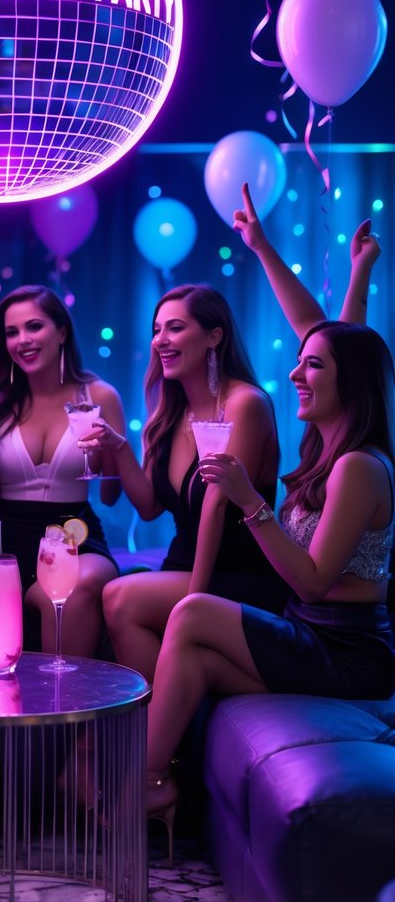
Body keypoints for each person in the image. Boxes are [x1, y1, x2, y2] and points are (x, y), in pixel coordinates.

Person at [145, 316, 395, 844]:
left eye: (313, 364)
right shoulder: (326, 457)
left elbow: (311, 582)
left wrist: (248, 500)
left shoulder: (360, 466)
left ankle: (137, 782)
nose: (295, 374)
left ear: (350, 379)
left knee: (192, 611)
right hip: (311, 635)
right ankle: (166, 791)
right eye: (300, 361)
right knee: (197, 657)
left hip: (347, 653)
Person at [98, 282, 290, 683]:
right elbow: (149, 508)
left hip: (239, 576)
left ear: (213, 336)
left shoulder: (245, 403)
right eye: (156, 330)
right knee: (118, 596)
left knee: (119, 597)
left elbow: (216, 506)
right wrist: (118, 448)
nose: (160, 341)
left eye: (175, 328)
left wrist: (193, 603)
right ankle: (166, 730)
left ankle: (154, 732)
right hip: (182, 566)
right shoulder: (167, 415)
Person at [0, 285, 126, 658]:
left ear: (62, 331)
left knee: (75, 585)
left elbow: (110, 495)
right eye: (11, 332)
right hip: (1, 536)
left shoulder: (99, 396)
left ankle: (66, 711)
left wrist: (109, 451)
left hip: (73, 536)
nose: (23, 340)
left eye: (34, 327)